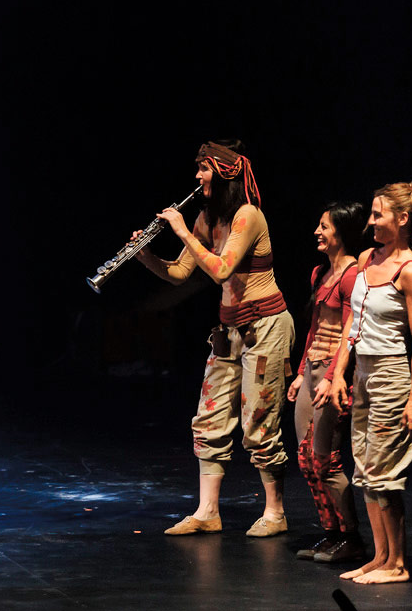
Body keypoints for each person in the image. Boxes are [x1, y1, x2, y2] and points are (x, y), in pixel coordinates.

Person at [134, 140, 295, 537]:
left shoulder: (248, 216)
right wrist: (145, 256)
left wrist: (181, 230)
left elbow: (221, 270)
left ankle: (275, 512)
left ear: (223, 173)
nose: (197, 176)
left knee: (258, 423)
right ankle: (208, 511)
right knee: (208, 420)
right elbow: (180, 273)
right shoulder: (207, 219)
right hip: (228, 333)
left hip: (265, 327)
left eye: (203, 169)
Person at [326, 182, 412, 584]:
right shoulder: (366, 259)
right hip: (362, 375)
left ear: (402, 219)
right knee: (364, 468)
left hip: (391, 374)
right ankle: (380, 556)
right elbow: (351, 324)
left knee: (383, 471)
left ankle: (398, 564)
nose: (370, 222)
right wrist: (339, 372)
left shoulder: (410, 271)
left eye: (378, 215)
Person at [286, 202, 367, 562]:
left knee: (326, 460)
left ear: (342, 232)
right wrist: (302, 371)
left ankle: (351, 537)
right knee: (306, 460)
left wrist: (333, 377)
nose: (318, 232)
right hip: (313, 372)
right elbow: (315, 328)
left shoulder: (352, 276)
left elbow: (349, 332)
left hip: (335, 376)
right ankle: (330, 533)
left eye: (325, 226)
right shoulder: (321, 273)